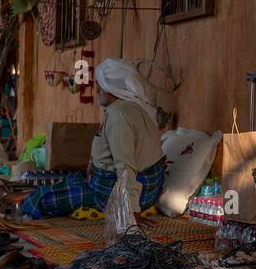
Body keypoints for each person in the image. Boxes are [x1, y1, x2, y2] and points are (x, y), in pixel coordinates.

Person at [19, 58, 166, 219]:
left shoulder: (119, 116)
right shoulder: (132, 108)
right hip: (135, 187)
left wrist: (131, 210)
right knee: (71, 180)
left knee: (42, 199)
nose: (97, 91)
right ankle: (22, 198)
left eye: (100, 85)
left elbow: (125, 167)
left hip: (110, 193)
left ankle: (19, 203)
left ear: (112, 88)